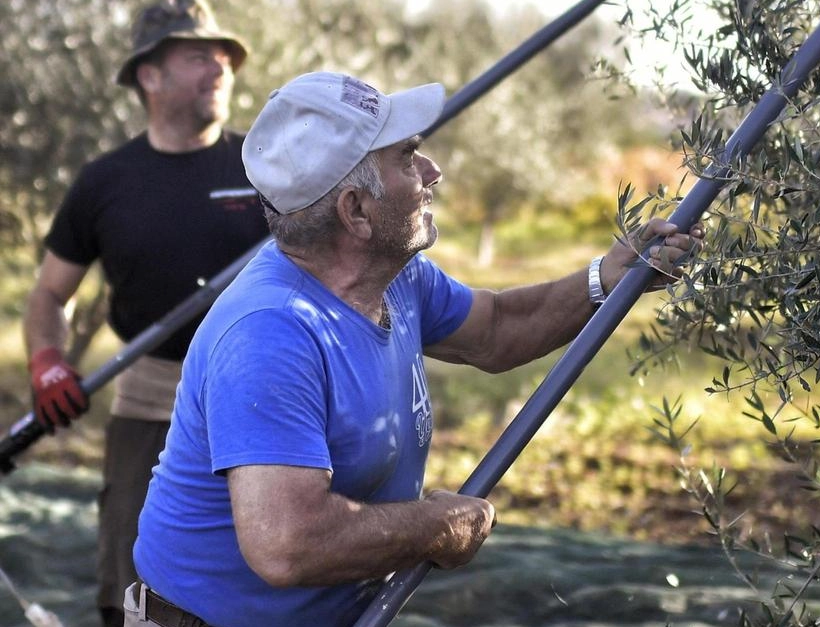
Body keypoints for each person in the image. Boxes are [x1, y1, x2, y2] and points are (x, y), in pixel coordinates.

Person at [127, 70, 703, 627]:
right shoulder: (271, 334)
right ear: (355, 211)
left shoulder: (395, 279)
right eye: (406, 157)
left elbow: (498, 328)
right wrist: (435, 526)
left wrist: (607, 277)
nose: (433, 171)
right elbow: (288, 545)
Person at [21, 1, 269, 625]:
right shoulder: (106, 182)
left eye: (223, 60)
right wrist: (48, 362)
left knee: (274, 573)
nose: (219, 71)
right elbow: (50, 295)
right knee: (130, 585)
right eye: (197, 58)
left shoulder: (265, 171)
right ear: (148, 77)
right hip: (150, 397)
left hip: (262, 396)